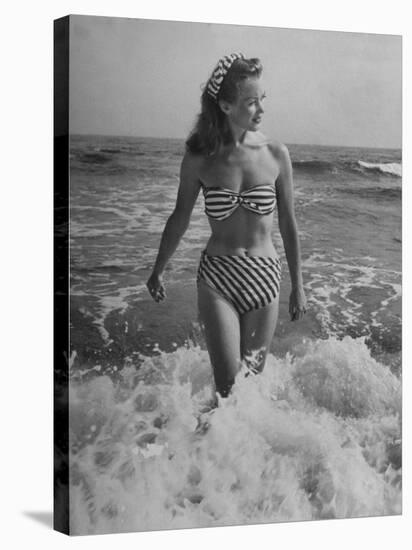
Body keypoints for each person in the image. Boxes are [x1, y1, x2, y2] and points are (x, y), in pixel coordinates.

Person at [146, 53, 307, 399]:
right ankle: (198, 449)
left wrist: (298, 284)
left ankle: (235, 451)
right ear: (225, 105)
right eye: (251, 103)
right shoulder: (199, 158)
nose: (261, 110)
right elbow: (180, 217)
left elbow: (288, 223)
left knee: (248, 391)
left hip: (265, 277)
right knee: (228, 388)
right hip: (218, 278)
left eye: (262, 100)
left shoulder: (277, 154)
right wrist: (158, 269)